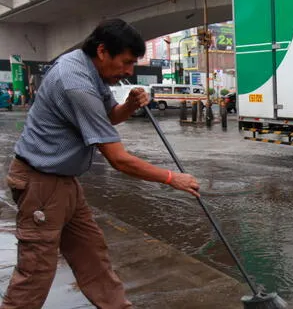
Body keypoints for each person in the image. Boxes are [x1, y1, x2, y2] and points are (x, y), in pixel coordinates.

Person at [2, 19, 200, 309]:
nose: (129, 72)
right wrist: (172, 178)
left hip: (64, 182)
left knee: (93, 256)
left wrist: (130, 105)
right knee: (36, 272)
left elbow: (107, 117)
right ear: (103, 51)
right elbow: (118, 160)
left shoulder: (90, 69)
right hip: (40, 184)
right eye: (126, 62)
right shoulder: (75, 82)